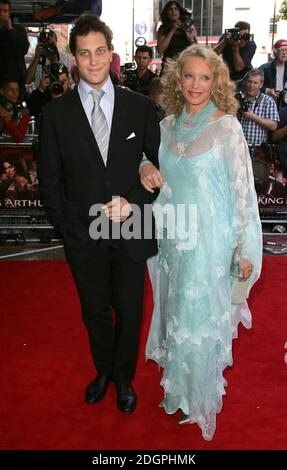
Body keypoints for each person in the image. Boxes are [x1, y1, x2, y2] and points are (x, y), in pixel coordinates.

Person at [38, 14, 160, 414]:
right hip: (83, 236)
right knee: (95, 312)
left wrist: (135, 203)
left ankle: (124, 378)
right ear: (74, 58)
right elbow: (49, 181)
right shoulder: (55, 115)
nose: (93, 61)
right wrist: (68, 229)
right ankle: (103, 371)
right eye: (84, 53)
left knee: (129, 311)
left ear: (111, 53)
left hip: (132, 231)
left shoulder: (140, 108)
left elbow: (160, 174)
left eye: (100, 51)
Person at [140, 45, 262, 441]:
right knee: (175, 312)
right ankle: (178, 391)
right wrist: (144, 166)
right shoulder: (166, 125)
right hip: (173, 238)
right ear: (178, 79)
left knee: (199, 319)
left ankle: (200, 399)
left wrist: (243, 249)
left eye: (204, 77)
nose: (195, 84)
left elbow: (243, 192)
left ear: (216, 83)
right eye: (189, 76)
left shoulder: (226, 127)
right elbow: (152, 168)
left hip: (211, 242)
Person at [238, 69, 279, 146]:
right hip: (239, 147)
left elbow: (274, 126)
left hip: (258, 150)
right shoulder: (239, 98)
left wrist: (253, 117)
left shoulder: (268, 101)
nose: (251, 85)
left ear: (261, 85)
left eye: (255, 83)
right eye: (249, 81)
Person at [213, 21, 256, 92]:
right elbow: (212, 54)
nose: (242, 40)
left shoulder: (250, 44)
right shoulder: (227, 38)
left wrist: (235, 47)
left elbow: (239, 68)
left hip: (244, 76)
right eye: (240, 36)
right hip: (227, 75)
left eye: (245, 36)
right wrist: (224, 41)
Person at [0, 0, 29, 100]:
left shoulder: (19, 30)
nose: (2, 14)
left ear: (9, 13)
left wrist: (10, 29)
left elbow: (23, 49)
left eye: (5, 11)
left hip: (18, 84)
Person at [157, 1, 197, 72]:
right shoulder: (163, 29)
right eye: (170, 9)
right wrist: (172, 30)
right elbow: (160, 50)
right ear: (167, 13)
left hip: (185, 65)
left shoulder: (189, 26)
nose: (173, 12)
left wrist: (189, 38)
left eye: (176, 9)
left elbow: (196, 48)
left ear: (180, 12)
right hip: (169, 67)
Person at [259, 39, 287, 108]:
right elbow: (254, 85)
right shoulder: (264, 68)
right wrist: (267, 90)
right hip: (268, 103)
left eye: (286, 50)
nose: (284, 53)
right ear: (275, 52)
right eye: (281, 50)